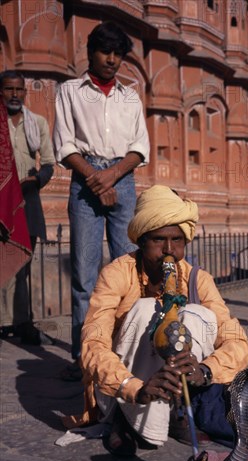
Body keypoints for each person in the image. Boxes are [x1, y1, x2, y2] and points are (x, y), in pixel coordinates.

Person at [60, 185, 248, 457]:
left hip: (181, 384)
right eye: (158, 240)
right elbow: (92, 343)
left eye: (177, 241)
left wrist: (205, 371)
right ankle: (124, 418)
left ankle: (180, 409)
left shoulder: (198, 279)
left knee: (198, 316)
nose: (168, 251)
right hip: (127, 386)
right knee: (147, 309)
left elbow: (237, 341)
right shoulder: (117, 274)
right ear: (141, 240)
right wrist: (135, 388)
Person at [53, 22, 150, 380]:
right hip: (85, 181)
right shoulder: (70, 91)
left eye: (118, 55)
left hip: (122, 181)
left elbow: (140, 147)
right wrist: (96, 179)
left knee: (128, 272)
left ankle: (126, 352)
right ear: (90, 52)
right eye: (105, 52)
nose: (112, 60)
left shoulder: (130, 96)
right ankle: (84, 357)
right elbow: (64, 144)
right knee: (84, 274)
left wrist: (111, 176)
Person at [0, 70, 55, 345]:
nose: (14, 95)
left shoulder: (38, 123)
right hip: (0, 202)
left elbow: (48, 163)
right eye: (9, 89)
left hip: (27, 200)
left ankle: (23, 322)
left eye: (19, 90)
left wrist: (35, 179)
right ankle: (2, 323)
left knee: (22, 264)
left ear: (25, 92)